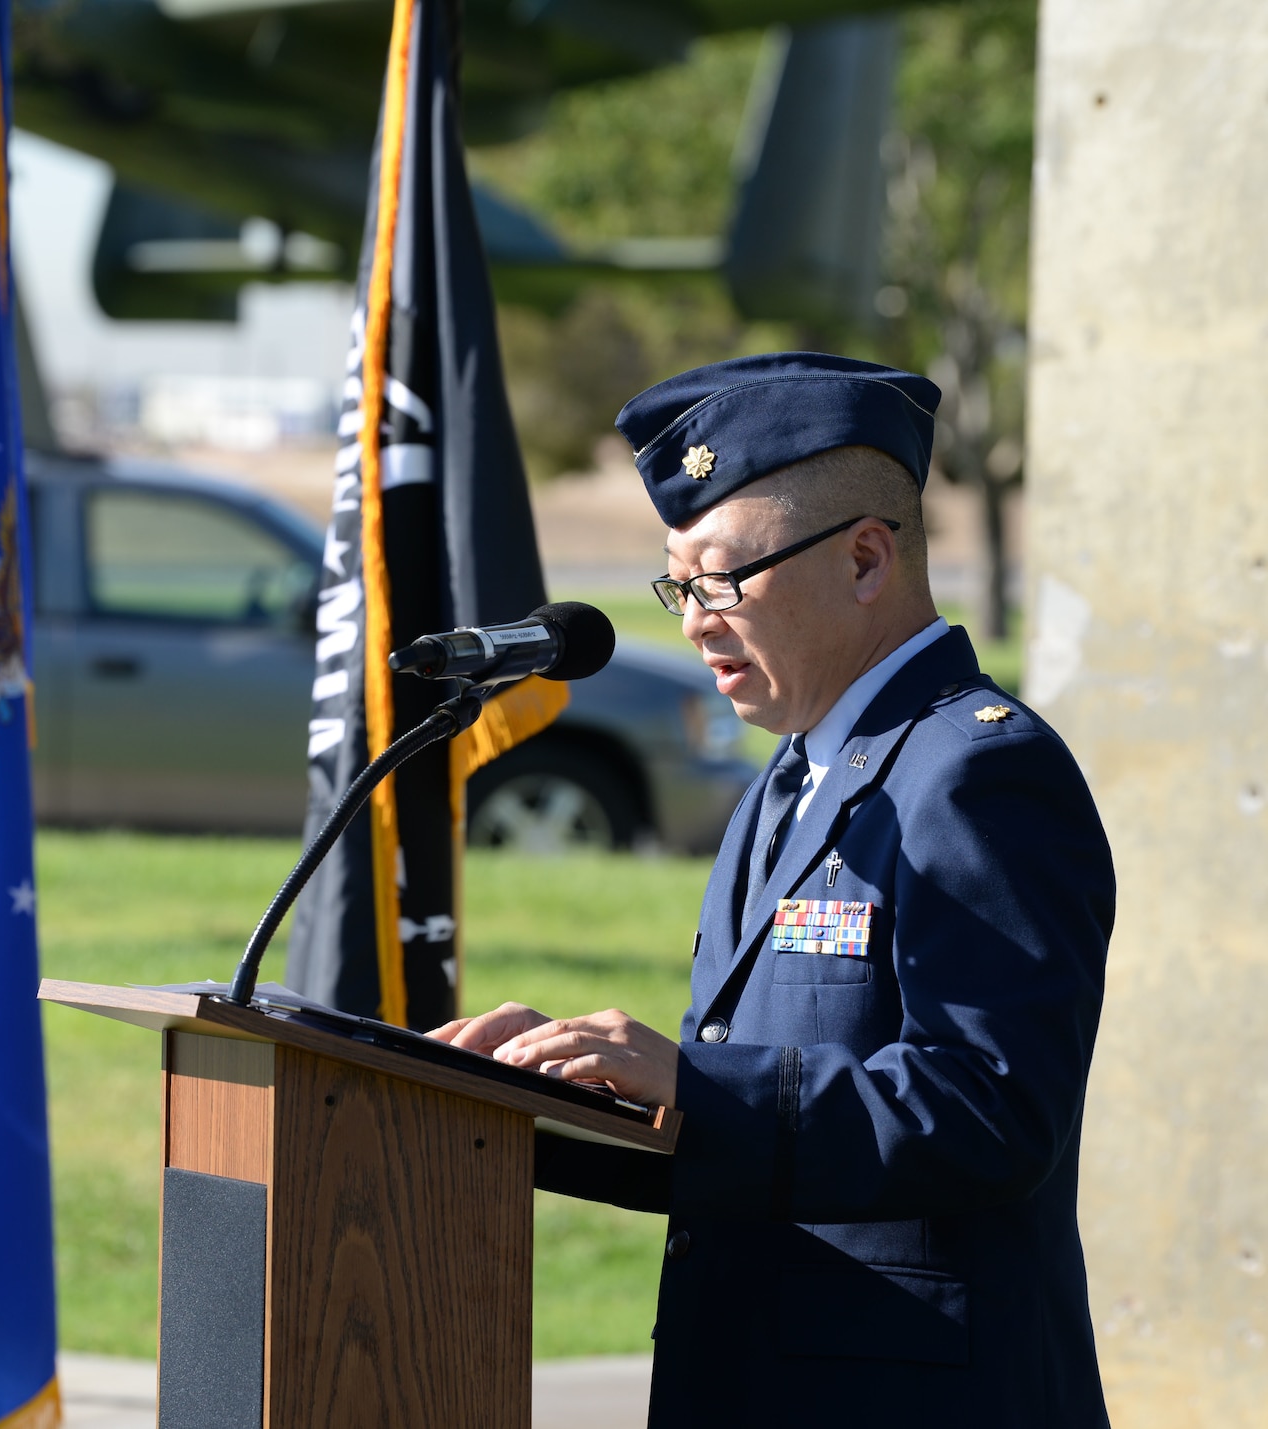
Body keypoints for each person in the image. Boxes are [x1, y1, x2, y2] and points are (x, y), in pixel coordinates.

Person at [432, 353, 1114, 1427]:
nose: (693, 620)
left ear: (861, 560)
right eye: (678, 585)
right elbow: (757, 1147)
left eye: (720, 580)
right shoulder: (791, 776)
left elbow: (991, 1108)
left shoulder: (976, 772)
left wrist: (697, 1086)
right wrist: (534, 1101)